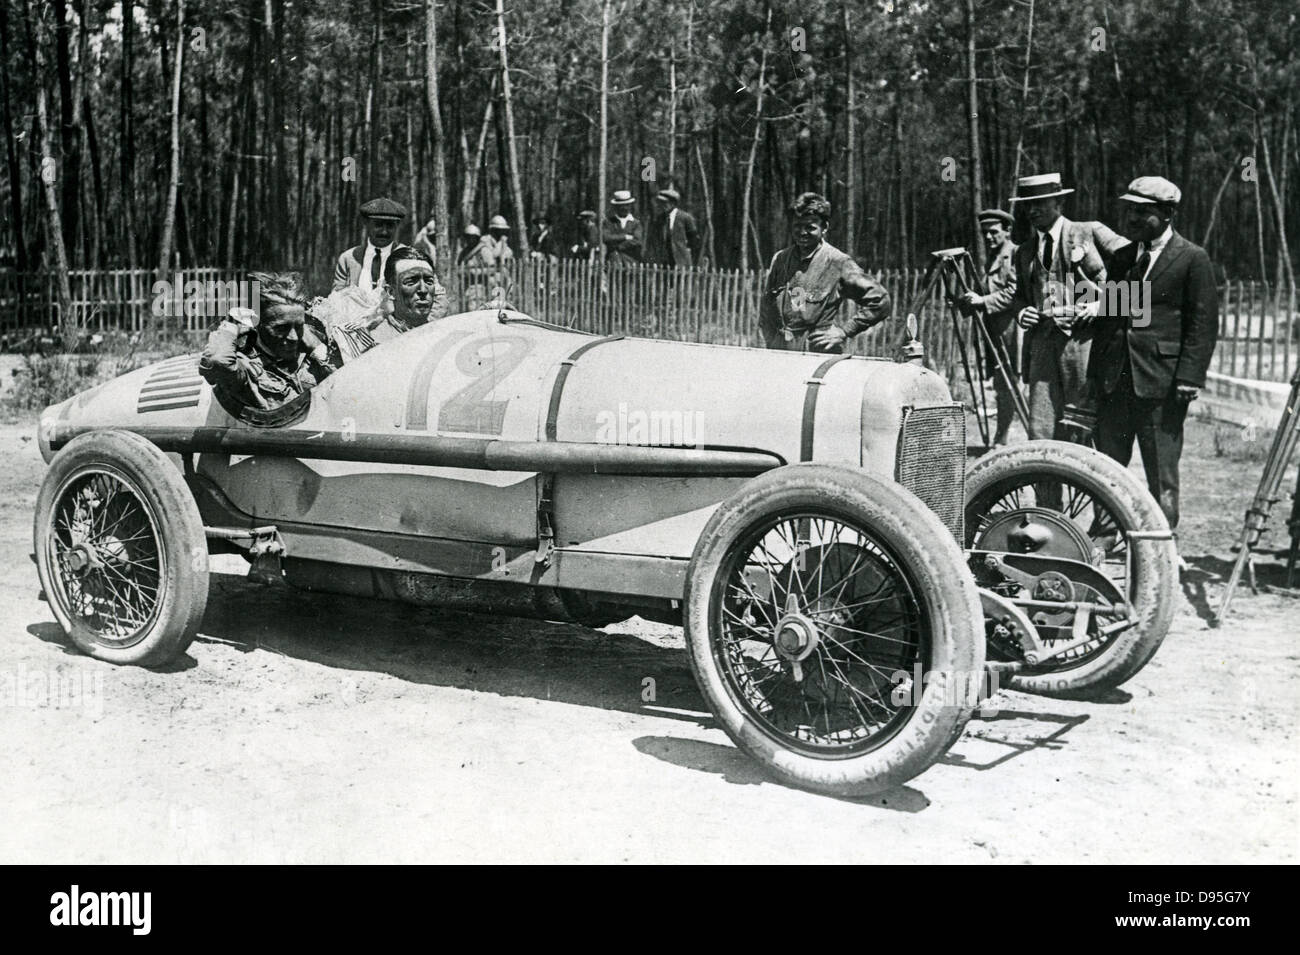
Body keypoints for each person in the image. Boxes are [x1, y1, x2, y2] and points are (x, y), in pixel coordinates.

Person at [1089, 176, 1219, 531]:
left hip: (1162, 386)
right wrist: (1095, 375)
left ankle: (1162, 541)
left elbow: (1202, 324)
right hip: (1117, 383)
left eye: (1141, 212)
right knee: (1107, 468)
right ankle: (1103, 536)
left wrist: (1190, 377)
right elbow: (1112, 319)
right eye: (1129, 210)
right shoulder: (1122, 257)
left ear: (1166, 214)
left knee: (1161, 471)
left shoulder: (1192, 258)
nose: (1130, 219)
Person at [1007, 172, 1128, 442]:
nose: (1032, 210)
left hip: (1084, 344)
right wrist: (1020, 311)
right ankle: (1047, 484)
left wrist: (1104, 304)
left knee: (1083, 425)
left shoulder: (1089, 232)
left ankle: (1087, 484)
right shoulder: (1024, 251)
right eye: (1027, 204)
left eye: (1040, 202)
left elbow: (1141, 263)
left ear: (1058, 203)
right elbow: (1018, 296)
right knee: (1041, 431)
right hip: (1041, 348)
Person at [759, 192, 891, 355]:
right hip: (779, 352)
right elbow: (769, 307)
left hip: (818, 353)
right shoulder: (781, 259)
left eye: (810, 227)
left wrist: (844, 331)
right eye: (797, 226)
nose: (802, 232)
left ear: (824, 228)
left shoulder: (838, 263)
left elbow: (881, 300)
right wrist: (771, 340)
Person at [200, 272, 334, 411]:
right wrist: (231, 323)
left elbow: (348, 384)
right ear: (258, 324)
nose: (293, 337)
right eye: (282, 328)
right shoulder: (247, 366)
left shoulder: (313, 354)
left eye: (299, 326)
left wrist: (317, 347)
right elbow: (217, 360)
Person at [960, 208, 1021, 446]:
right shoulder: (991, 258)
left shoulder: (1014, 254)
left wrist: (983, 301)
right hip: (993, 331)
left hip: (1011, 331)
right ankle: (1001, 436)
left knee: (1010, 384)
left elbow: (1014, 293)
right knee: (1001, 385)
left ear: (1007, 231)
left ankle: (1002, 437)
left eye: (993, 232)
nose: (988, 237)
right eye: (985, 233)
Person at [329, 248, 446, 363]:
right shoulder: (372, 342)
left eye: (429, 281)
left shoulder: (444, 338)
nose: (423, 289)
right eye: (411, 282)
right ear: (391, 291)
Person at [332, 197, 410, 293]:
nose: (384, 232)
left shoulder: (409, 258)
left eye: (390, 225)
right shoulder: (348, 258)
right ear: (366, 223)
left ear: (397, 225)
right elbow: (336, 298)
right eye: (378, 225)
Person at [652, 187, 700, 267]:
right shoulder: (660, 219)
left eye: (665, 203)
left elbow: (694, 240)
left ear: (673, 203)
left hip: (681, 260)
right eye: (661, 203)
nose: (662, 205)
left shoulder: (685, 218)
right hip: (664, 260)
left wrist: (689, 256)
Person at [604, 189, 644, 264]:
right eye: (621, 206)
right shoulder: (608, 222)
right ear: (616, 207)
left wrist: (618, 246)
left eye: (627, 205)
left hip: (632, 260)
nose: (624, 208)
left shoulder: (636, 223)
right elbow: (606, 238)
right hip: (613, 261)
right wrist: (625, 236)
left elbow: (637, 240)